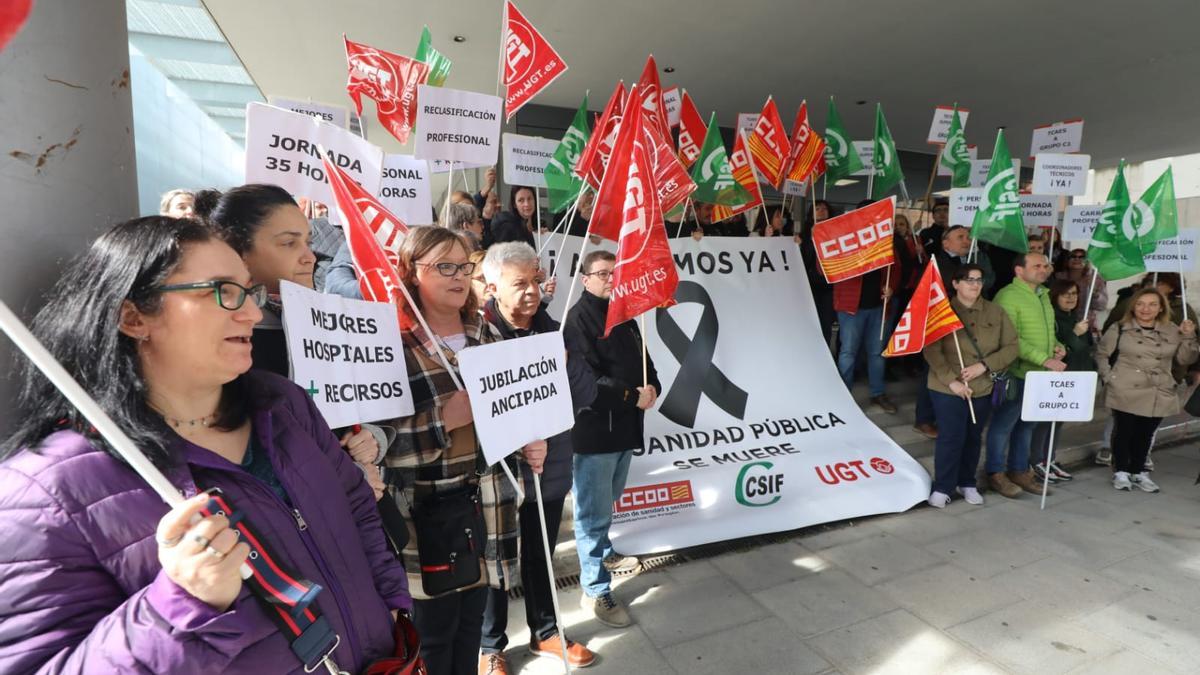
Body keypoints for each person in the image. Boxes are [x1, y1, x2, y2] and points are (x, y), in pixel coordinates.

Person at [0, 217, 411, 673]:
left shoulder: (284, 405)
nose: (252, 313)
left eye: (247, 290)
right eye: (220, 291)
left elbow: (355, 505)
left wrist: (392, 605)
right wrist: (176, 607)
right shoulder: (46, 493)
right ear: (134, 317)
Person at [380, 226, 547, 675]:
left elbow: (508, 410)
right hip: (429, 521)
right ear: (411, 273)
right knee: (432, 638)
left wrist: (529, 438)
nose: (458, 276)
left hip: (489, 509)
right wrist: (442, 421)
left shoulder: (485, 332)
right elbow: (378, 450)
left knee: (472, 625)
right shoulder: (393, 346)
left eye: (463, 266)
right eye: (443, 266)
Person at [198, 186, 387, 499]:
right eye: (289, 243)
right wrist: (343, 475)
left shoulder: (328, 322)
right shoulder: (226, 343)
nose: (309, 257)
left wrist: (373, 437)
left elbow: (353, 410)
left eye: (308, 242)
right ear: (237, 251)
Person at [477, 243, 598, 672]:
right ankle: (489, 646)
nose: (531, 291)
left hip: (548, 469)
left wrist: (562, 366)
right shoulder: (474, 335)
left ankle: (546, 633)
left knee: (540, 554)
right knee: (492, 558)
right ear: (492, 287)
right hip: (495, 475)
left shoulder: (556, 330)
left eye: (535, 280)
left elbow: (586, 395)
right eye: (519, 283)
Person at [564, 250, 660, 629]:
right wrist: (631, 396)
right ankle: (595, 588)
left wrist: (653, 387)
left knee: (610, 498)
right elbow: (586, 380)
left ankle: (603, 551)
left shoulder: (626, 314)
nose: (610, 279)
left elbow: (645, 361)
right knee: (592, 511)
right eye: (602, 273)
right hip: (595, 431)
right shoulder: (578, 319)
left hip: (625, 427)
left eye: (614, 273)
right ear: (585, 278)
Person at [923, 264, 1019, 507]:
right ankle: (943, 486)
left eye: (978, 280)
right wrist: (952, 381)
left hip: (982, 386)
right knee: (951, 437)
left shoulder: (995, 312)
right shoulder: (941, 312)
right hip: (947, 388)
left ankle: (967, 482)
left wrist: (984, 366)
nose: (975, 285)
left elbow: (1011, 347)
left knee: (974, 436)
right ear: (955, 284)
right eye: (968, 280)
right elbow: (932, 351)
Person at [1097, 288, 1198, 492]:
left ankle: (1139, 471)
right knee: (1125, 431)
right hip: (1126, 386)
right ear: (1133, 305)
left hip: (1159, 388)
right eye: (1141, 304)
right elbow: (1101, 354)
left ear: (1161, 308)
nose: (1146, 309)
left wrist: (1189, 337)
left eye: (1152, 304)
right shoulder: (1120, 327)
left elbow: (1185, 359)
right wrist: (1110, 378)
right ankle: (1122, 471)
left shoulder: (1172, 329)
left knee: (1146, 432)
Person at [986, 253, 1063, 498]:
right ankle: (995, 473)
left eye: (1045, 265)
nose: (1043, 269)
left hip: (1040, 374)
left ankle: (1019, 470)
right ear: (1019, 271)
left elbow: (1048, 331)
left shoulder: (1043, 295)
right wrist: (1044, 359)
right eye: (1037, 266)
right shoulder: (1008, 296)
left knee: (1027, 425)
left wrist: (1058, 346)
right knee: (1003, 425)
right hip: (1017, 372)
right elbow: (1011, 339)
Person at [1029, 279, 1095, 484]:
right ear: (1055, 296)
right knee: (1045, 421)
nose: (1071, 298)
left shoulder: (1076, 317)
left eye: (1074, 293)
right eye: (1065, 294)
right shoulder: (1052, 319)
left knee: (1058, 422)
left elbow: (1087, 348)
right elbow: (1061, 350)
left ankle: (1050, 458)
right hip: (1057, 375)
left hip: (1075, 376)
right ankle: (1036, 461)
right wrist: (1075, 334)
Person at [831, 214, 899, 413]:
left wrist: (892, 287)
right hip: (850, 307)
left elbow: (896, 269)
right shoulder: (844, 241)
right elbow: (824, 269)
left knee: (877, 353)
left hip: (879, 307)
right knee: (848, 353)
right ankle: (843, 396)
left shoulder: (885, 240)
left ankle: (877, 394)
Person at [798, 199, 838, 346]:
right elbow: (805, 260)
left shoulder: (835, 232)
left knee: (826, 323)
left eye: (824, 208)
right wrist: (811, 239)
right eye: (817, 208)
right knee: (811, 323)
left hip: (829, 287)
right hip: (810, 286)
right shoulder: (804, 235)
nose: (821, 211)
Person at [1055, 248, 1107, 334]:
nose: (1077, 259)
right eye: (1073, 256)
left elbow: (1101, 306)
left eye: (1082, 257)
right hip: (1062, 321)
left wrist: (1094, 291)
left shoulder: (1095, 279)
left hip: (1085, 324)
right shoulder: (1058, 277)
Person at [936, 226, 995, 295]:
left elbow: (989, 280)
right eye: (960, 237)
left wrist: (978, 255)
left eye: (968, 238)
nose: (966, 241)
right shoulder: (937, 265)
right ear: (946, 243)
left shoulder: (977, 258)